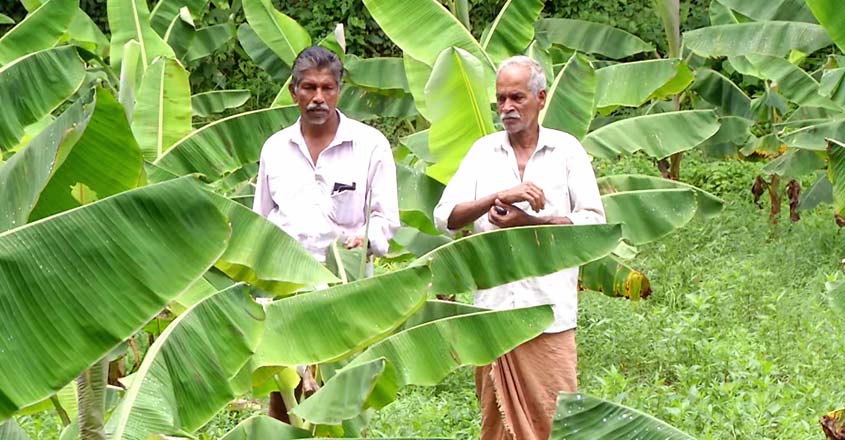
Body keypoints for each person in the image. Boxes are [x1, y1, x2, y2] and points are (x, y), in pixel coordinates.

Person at [433, 56, 605, 439]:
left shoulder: (566, 151)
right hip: (493, 313)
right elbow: (445, 216)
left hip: (549, 314)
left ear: (540, 98)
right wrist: (498, 195)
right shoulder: (482, 152)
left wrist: (528, 223)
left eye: (516, 98)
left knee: (554, 419)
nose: (507, 108)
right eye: (500, 100)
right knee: (496, 425)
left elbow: (593, 225)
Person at [252, 46, 399, 421]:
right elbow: (261, 223)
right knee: (284, 397)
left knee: (342, 404)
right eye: (309, 88)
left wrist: (364, 239)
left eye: (327, 88)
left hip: (344, 292)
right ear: (293, 91)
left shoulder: (370, 146)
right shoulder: (276, 149)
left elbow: (386, 220)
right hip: (287, 294)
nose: (318, 98)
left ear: (339, 90)